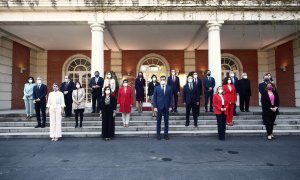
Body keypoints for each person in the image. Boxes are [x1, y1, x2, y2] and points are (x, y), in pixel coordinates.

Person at [153, 76, 173, 140]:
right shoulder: (156, 88)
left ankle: (166, 134)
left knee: (166, 121)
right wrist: (155, 107)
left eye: (164, 79)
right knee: (158, 121)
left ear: (165, 80)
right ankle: (158, 134)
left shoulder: (169, 88)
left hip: (166, 107)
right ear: (160, 80)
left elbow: (171, 98)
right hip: (159, 107)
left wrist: (170, 106)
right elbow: (154, 98)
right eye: (161, 79)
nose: (163, 80)